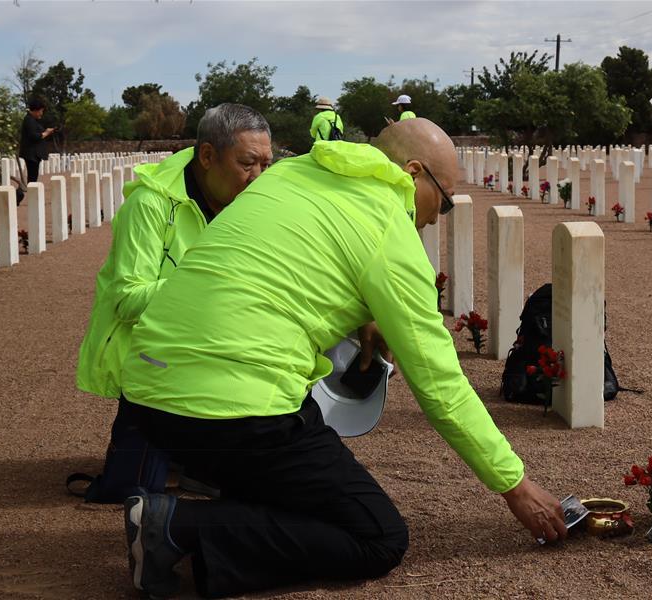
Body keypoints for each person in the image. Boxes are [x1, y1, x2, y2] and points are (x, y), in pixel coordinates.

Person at [119, 118, 567, 599]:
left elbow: (287, 266)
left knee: (305, 447)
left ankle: (207, 526)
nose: (440, 216)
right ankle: (174, 526)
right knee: (378, 536)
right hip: (231, 411)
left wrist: (362, 317)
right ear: (413, 173)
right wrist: (515, 487)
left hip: (147, 400)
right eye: (444, 198)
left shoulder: (294, 175)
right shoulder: (388, 229)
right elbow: (441, 387)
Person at [73, 103, 273, 502]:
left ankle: (201, 458)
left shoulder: (255, 205)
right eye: (248, 163)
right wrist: (214, 287)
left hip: (216, 342)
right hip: (155, 353)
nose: (259, 178)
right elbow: (129, 300)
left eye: (267, 164)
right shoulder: (150, 206)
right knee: (133, 486)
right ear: (207, 156)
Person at [17, 96, 56, 205]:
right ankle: (22, 196)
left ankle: (24, 196)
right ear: (35, 109)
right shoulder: (28, 120)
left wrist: (46, 131)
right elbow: (34, 136)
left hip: (34, 154)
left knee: (33, 177)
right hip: (31, 154)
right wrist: (46, 133)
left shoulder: (33, 120)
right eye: (40, 111)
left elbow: (37, 133)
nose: (41, 114)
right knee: (32, 178)